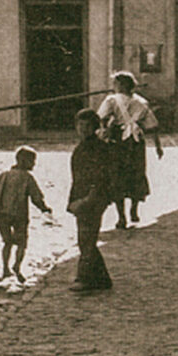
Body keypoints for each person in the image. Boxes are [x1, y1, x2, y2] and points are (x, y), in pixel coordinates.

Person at [97, 71, 164, 228]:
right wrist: (158, 146)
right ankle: (134, 210)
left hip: (118, 141)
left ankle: (121, 217)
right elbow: (153, 126)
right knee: (136, 173)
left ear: (120, 85)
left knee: (117, 175)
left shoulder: (112, 100)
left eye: (115, 83)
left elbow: (101, 117)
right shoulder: (142, 102)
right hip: (136, 143)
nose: (113, 87)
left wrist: (104, 129)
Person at [67, 108, 115, 292]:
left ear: (94, 127)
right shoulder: (85, 146)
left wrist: (87, 200)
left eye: (87, 126)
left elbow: (99, 178)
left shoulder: (97, 148)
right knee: (86, 238)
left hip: (93, 198)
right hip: (83, 196)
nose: (82, 129)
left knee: (86, 238)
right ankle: (102, 279)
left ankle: (85, 278)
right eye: (80, 125)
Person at [0, 146, 52, 283]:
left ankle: (5, 268)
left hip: (3, 215)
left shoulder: (3, 175)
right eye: (32, 161)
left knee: (7, 242)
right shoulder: (27, 178)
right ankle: (17, 266)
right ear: (24, 161)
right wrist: (45, 209)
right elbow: (36, 198)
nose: (34, 164)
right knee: (21, 243)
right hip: (20, 216)